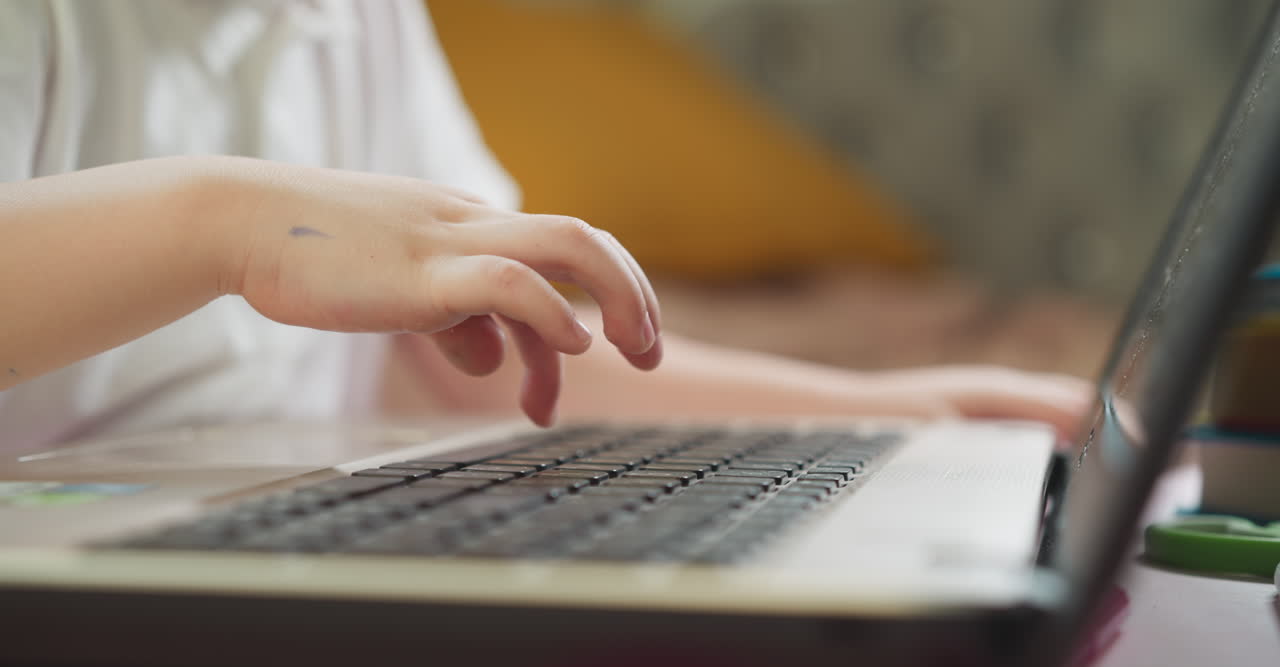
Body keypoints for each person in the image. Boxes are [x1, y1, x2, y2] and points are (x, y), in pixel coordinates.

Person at [0, 0, 1090, 455]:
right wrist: (226, 223)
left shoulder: (354, 17)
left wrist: (874, 417)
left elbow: (478, 360)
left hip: (265, 539)